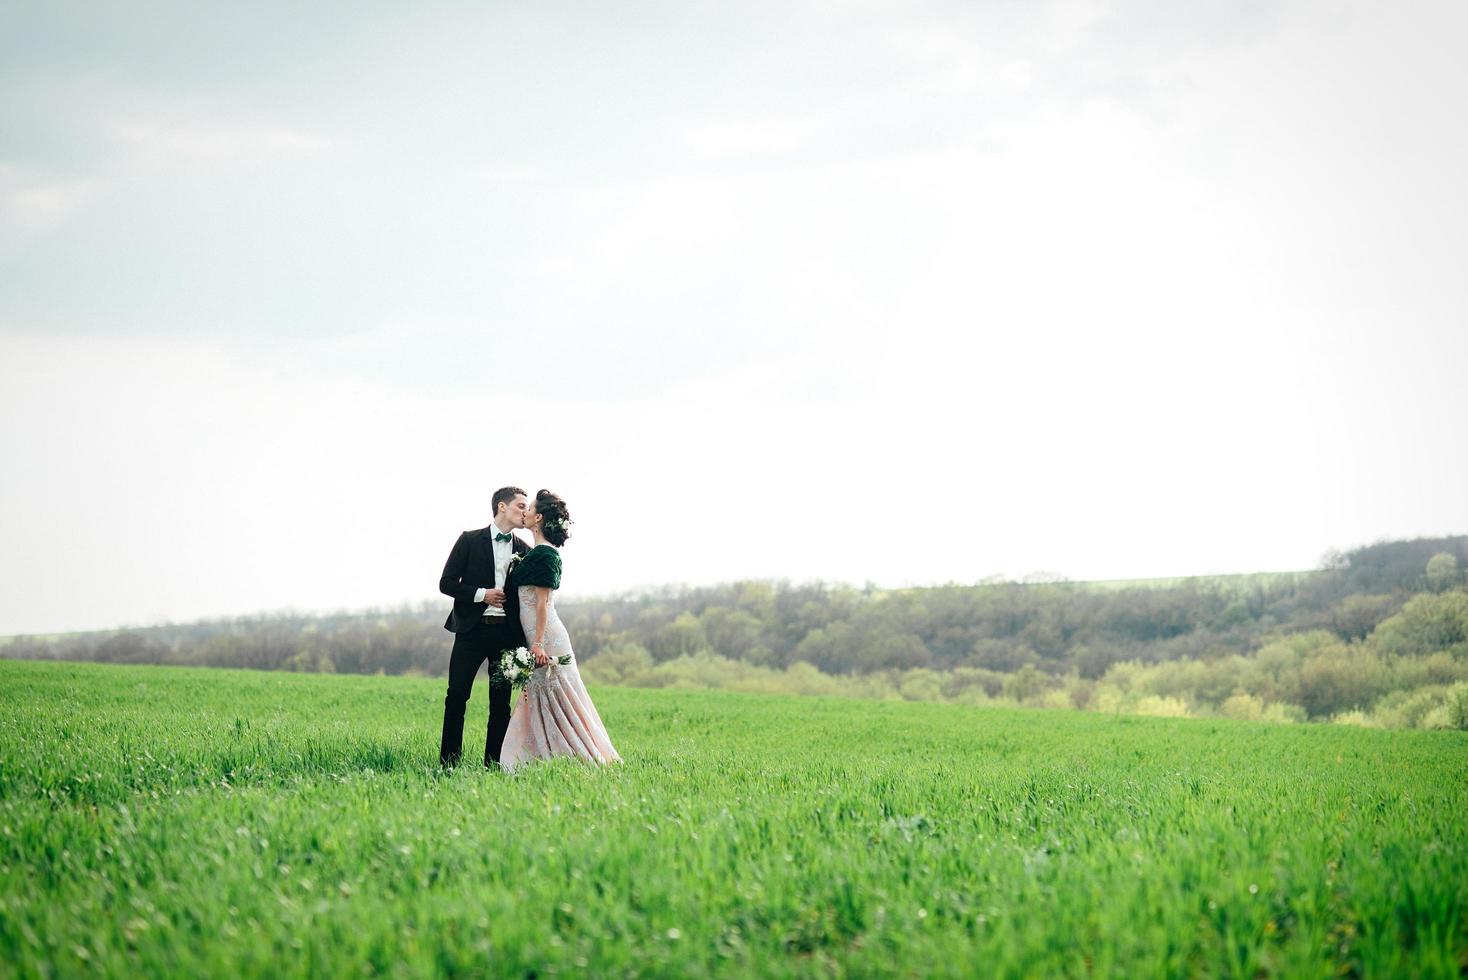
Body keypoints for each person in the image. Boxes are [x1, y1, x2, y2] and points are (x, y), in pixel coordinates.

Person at [499, 489, 621, 772]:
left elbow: (542, 604)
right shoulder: (534, 553)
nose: (524, 512)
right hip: (535, 635)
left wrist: (539, 643)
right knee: (542, 693)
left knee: (559, 693)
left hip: (548, 636)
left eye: (528, 508)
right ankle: (544, 754)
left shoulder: (545, 555)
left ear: (538, 517)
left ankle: (578, 754)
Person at [437, 485, 531, 768]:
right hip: (471, 632)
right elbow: (447, 583)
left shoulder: (525, 550)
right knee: (456, 696)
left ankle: (493, 766)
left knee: (500, 705)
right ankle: (448, 764)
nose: (525, 512)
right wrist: (483, 594)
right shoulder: (469, 540)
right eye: (520, 506)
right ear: (502, 507)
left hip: (506, 636)